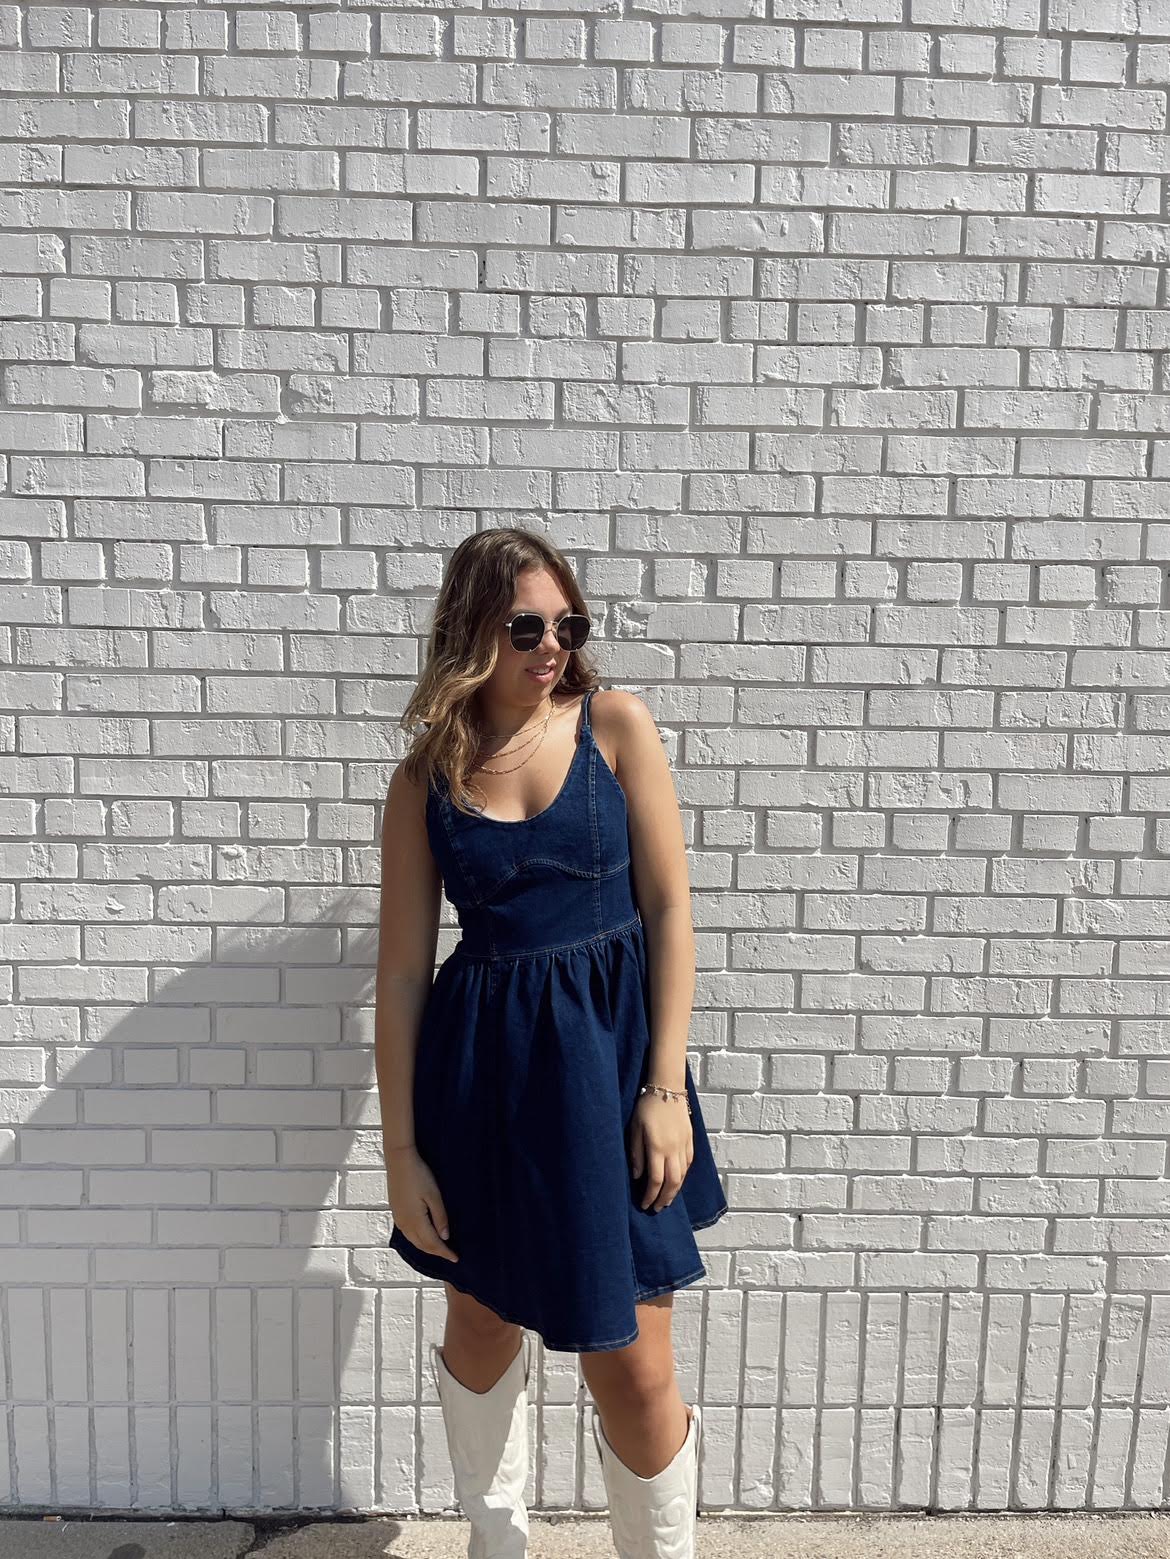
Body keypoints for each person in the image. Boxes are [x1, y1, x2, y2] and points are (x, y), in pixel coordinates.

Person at [374, 526, 729, 1557]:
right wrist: (401, 1152)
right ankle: (498, 1542)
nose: (553, 645)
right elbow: (401, 976)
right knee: (483, 1318)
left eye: (567, 624)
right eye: (526, 626)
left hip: (611, 1076)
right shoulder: (425, 778)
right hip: (480, 1082)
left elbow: (670, 909)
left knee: (635, 1362)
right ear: (470, 629)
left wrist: (664, 1088)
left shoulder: (616, 726)